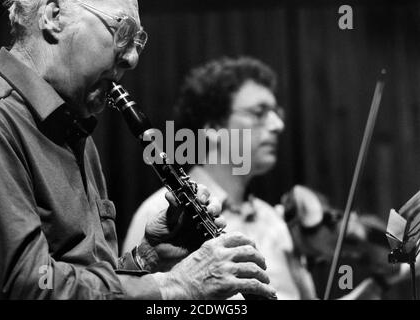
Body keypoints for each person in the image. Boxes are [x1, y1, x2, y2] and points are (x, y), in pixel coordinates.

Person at [0, 0, 276, 300]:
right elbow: (26, 284)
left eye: (137, 42)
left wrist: (144, 259)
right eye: (122, 31)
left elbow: (83, 279)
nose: (132, 58)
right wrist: (173, 286)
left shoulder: (77, 135)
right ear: (53, 16)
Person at [122, 56, 384, 299]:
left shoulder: (272, 220)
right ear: (214, 128)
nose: (277, 125)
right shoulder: (162, 215)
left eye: (275, 113)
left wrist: (380, 283)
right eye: (259, 112)